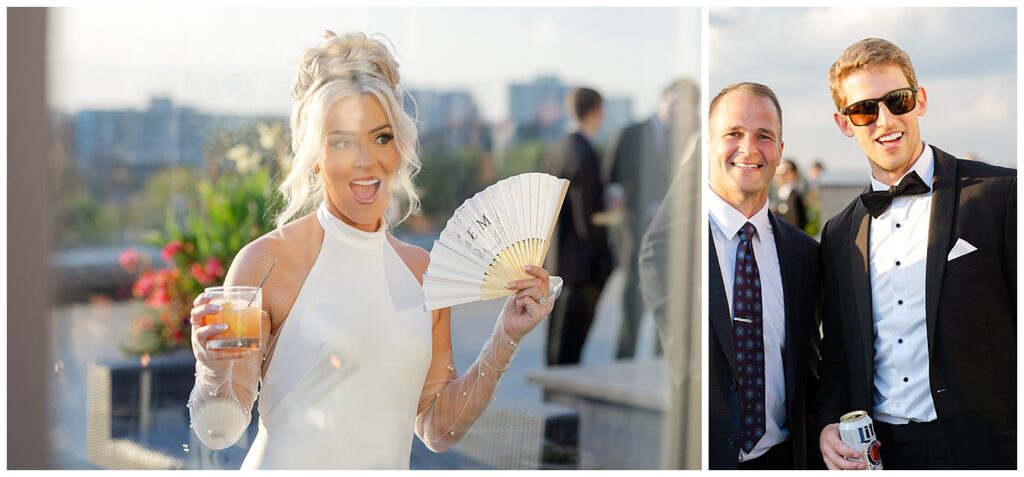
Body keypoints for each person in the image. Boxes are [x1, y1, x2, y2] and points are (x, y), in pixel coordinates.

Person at [184, 31, 557, 469]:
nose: (366, 160)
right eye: (342, 141)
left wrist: (505, 338)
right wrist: (213, 369)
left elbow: (438, 430)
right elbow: (221, 431)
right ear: (315, 155)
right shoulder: (267, 262)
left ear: (400, 146)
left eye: (381, 137)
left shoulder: (422, 271)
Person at [815, 38, 1016, 470]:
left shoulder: (1001, 195)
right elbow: (837, 356)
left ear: (920, 100)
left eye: (898, 100)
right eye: (864, 110)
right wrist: (828, 423)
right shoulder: (838, 234)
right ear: (845, 123)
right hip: (881, 454)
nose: (885, 120)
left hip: (987, 450)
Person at [707, 82, 821, 470]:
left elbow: (812, 368)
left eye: (764, 136)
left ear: (780, 150)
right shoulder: (678, 245)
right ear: (709, 143)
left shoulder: (804, 254)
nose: (749, 148)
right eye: (733, 133)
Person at [604, 78, 699, 359]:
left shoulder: (688, 137)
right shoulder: (630, 134)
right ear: (664, 96)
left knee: (669, 301)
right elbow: (611, 178)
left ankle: (662, 361)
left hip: (672, 234)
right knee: (632, 302)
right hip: (636, 229)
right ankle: (624, 360)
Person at [544, 87, 613, 366]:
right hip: (581, 269)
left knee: (555, 346)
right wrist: (603, 259)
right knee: (569, 351)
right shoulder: (585, 153)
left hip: (556, 262)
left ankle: (552, 393)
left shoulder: (557, 150)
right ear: (597, 111)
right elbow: (588, 218)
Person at [771, 159, 809, 231]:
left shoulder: (794, 198)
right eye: (777, 173)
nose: (778, 176)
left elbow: (796, 227)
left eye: (782, 172)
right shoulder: (782, 196)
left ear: (793, 174)